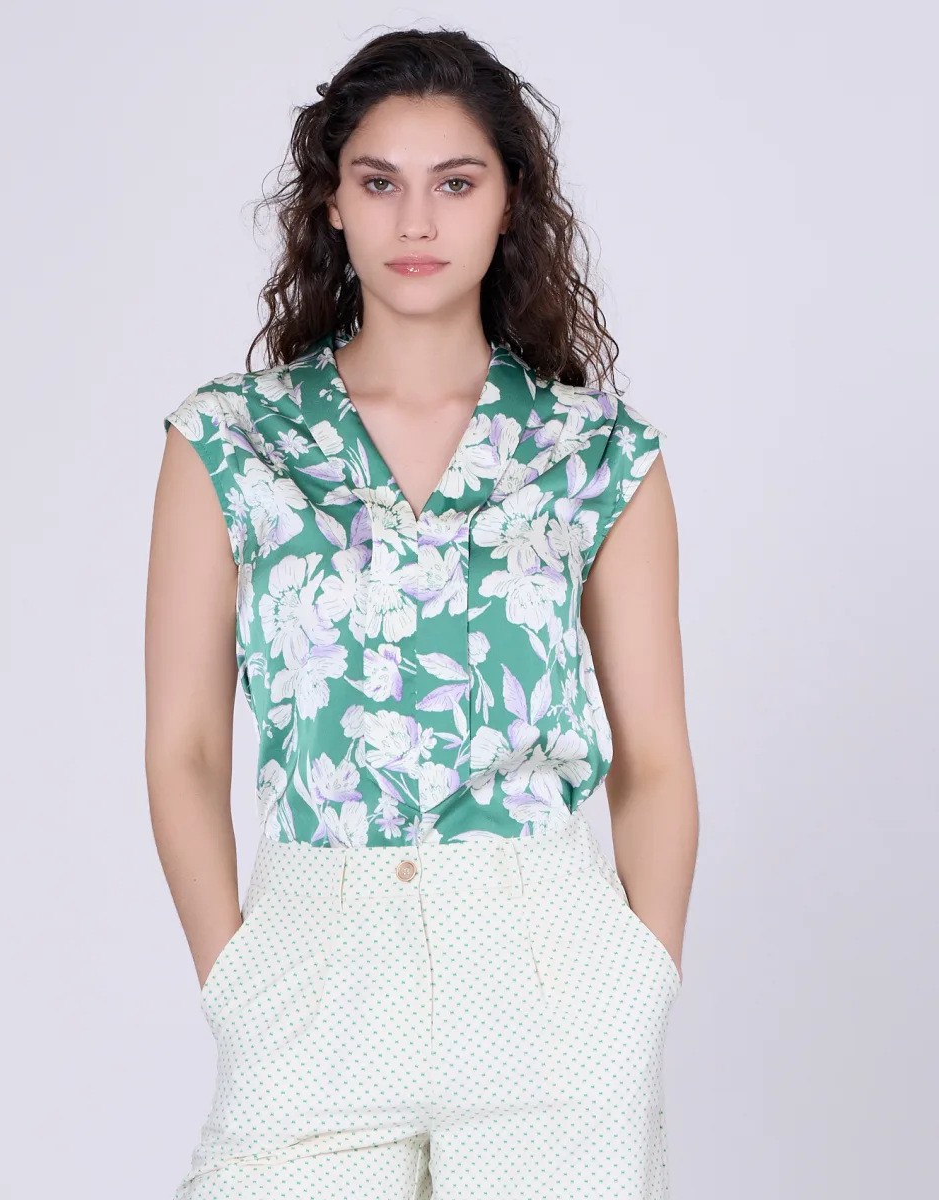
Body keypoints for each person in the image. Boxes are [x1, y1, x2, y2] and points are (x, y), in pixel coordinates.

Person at [146, 25, 698, 1200]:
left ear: (510, 204)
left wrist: (638, 983)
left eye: (455, 183)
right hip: (314, 971)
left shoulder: (596, 452)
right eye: (378, 182)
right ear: (332, 205)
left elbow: (655, 759)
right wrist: (233, 977)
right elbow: (184, 745)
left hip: (549, 980)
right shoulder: (231, 442)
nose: (415, 222)